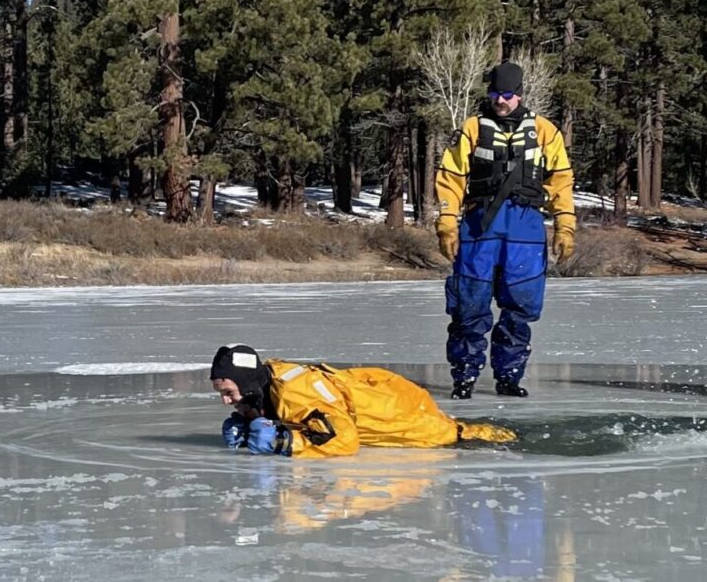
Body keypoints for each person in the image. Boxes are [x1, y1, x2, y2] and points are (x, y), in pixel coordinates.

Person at [435, 61, 575, 400]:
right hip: (479, 227)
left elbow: (561, 181)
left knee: (519, 308)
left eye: (508, 94)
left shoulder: (545, 131)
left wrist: (564, 226)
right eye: (496, 93)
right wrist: (446, 222)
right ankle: (464, 377)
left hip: (525, 230)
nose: (501, 100)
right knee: (469, 306)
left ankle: (509, 376)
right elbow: (450, 178)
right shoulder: (471, 129)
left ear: (520, 95)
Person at [209, 344, 515, 458]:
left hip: (401, 414)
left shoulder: (295, 392)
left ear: (248, 385)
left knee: (454, 433)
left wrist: (285, 443)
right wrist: (251, 422)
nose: (225, 402)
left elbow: (345, 439)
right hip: (377, 393)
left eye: (229, 393)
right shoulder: (267, 379)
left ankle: (510, 437)